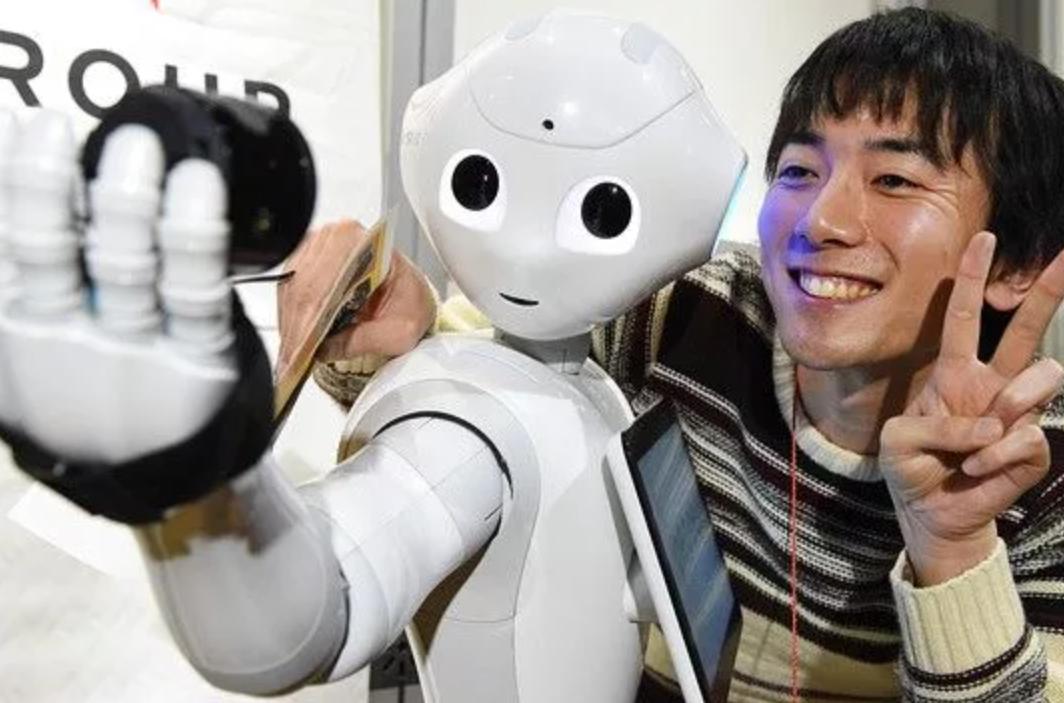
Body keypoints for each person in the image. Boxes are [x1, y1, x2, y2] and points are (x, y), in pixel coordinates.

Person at [316, 7, 1064, 701]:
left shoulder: (1038, 475)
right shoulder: (686, 313)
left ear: (1017, 265)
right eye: (800, 171)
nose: (821, 220)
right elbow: (490, 388)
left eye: (894, 180)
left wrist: (953, 548)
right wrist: (388, 332)